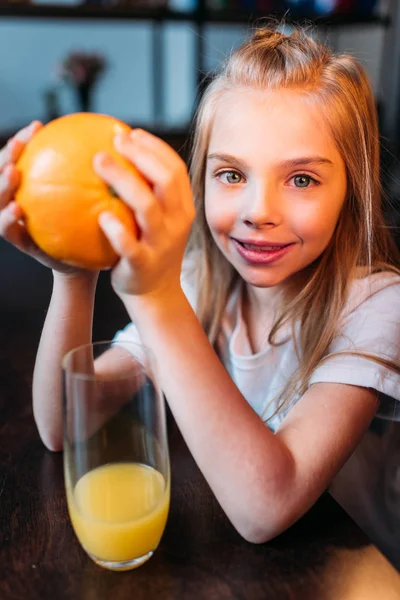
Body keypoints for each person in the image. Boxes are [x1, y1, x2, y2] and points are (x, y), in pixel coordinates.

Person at [1, 25, 399, 545]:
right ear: (201, 179)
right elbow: (64, 425)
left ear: (352, 187)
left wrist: (155, 299)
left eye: (301, 179)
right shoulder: (198, 282)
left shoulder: (378, 309)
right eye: (232, 175)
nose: (259, 213)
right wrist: (74, 275)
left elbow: (266, 507)